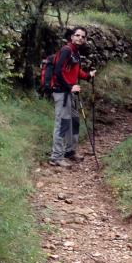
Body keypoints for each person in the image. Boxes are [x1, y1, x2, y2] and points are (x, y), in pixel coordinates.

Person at [48, 27, 96, 168]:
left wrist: (88, 76)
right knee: (62, 123)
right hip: (62, 93)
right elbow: (57, 70)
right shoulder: (66, 50)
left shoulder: (75, 52)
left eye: (83, 36)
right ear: (71, 37)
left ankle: (70, 151)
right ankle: (56, 157)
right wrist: (70, 87)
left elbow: (75, 71)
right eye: (77, 35)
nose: (80, 38)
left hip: (70, 94)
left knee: (74, 122)